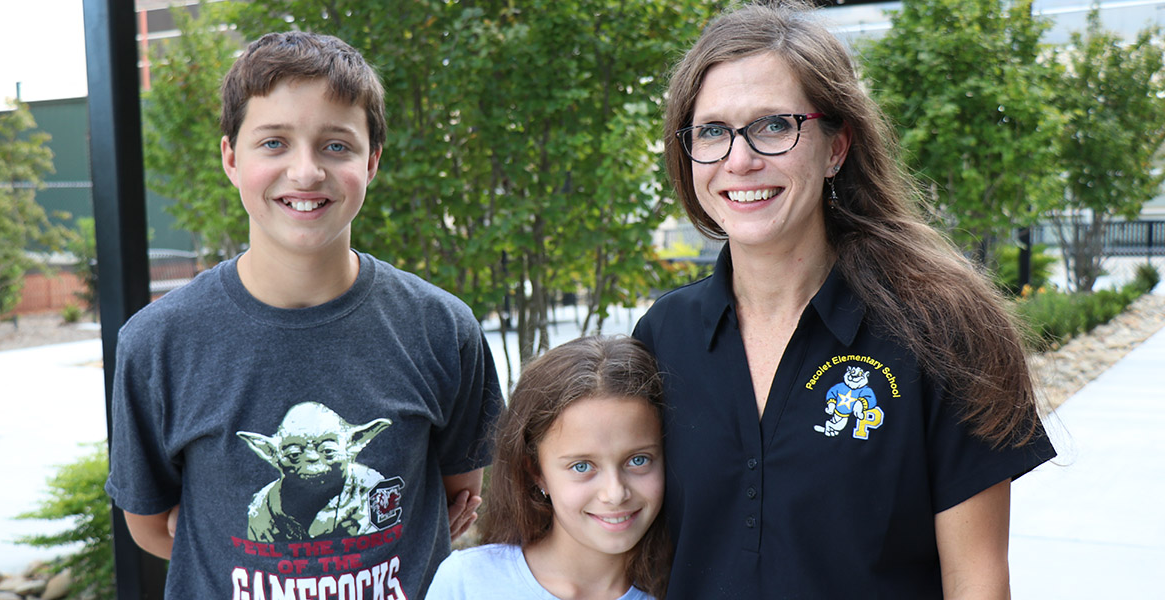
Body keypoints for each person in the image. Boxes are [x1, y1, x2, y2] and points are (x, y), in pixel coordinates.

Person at [631, 2, 1057, 598]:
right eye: (712, 131)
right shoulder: (661, 336)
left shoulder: (941, 331)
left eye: (774, 125)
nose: (739, 159)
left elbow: (977, 581)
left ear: (837, 147)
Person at [104, 31, 504, 599]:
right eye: (273, 143)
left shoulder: (441, 329)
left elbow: (455, 498)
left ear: (372, 161)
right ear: (230, 158)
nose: (306, 172)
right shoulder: (158, 343)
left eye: (335, 145)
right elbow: (151, 526)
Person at [426, 336, 671, 600]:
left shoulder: (689, 587)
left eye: (638, 460)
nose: (615, 493)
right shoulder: (467, 584)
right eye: (581, 466)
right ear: (536, 473)